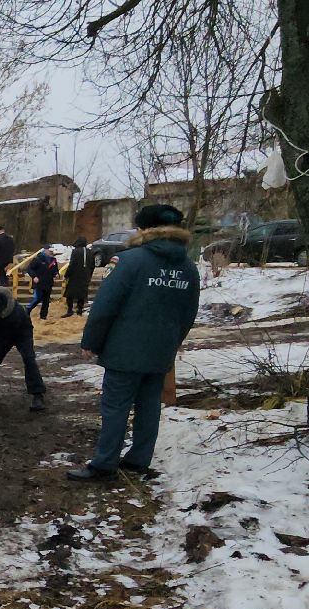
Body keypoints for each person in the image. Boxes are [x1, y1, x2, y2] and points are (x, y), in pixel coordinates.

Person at [67, 204, 200, 482]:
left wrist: (91, 341)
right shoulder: (188, 267)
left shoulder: (129, 261)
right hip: (160, 351)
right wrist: (174, 341)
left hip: (125, 351)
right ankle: (139, 459)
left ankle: (104, 465)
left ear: (144, 229)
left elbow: (106, 304)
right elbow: (189, 312)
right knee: (149, 405)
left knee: (115, 406)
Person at [0, 285, 46, 412]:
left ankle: (38, 394)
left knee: (29, 359)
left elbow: (8, 330)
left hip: (22, 332)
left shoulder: (14, 312)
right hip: (1, 333)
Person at [62, 237, 95, 317]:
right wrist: (89, 274)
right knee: (82, 294)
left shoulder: (75, 251)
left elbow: (72, 264)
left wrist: (67, 275)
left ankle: (70, 310)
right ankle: (79, 310)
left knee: (69, 294)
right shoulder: (91, 252)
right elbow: (92, 265)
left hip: (75, 276)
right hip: (85, 276)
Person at [25, 245, 59, 320]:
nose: (51, 252)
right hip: (39, 283)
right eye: (49, 250)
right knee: (38, 298)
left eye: (52, 251)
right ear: (45, 250)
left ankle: (43, 316)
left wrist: (56, 274)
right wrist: (34, 276)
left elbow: (55, 270)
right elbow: (29, 269)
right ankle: (28, 309)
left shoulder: (53, 260)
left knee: (46, 301)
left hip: (48, 283)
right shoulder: (38, 259)